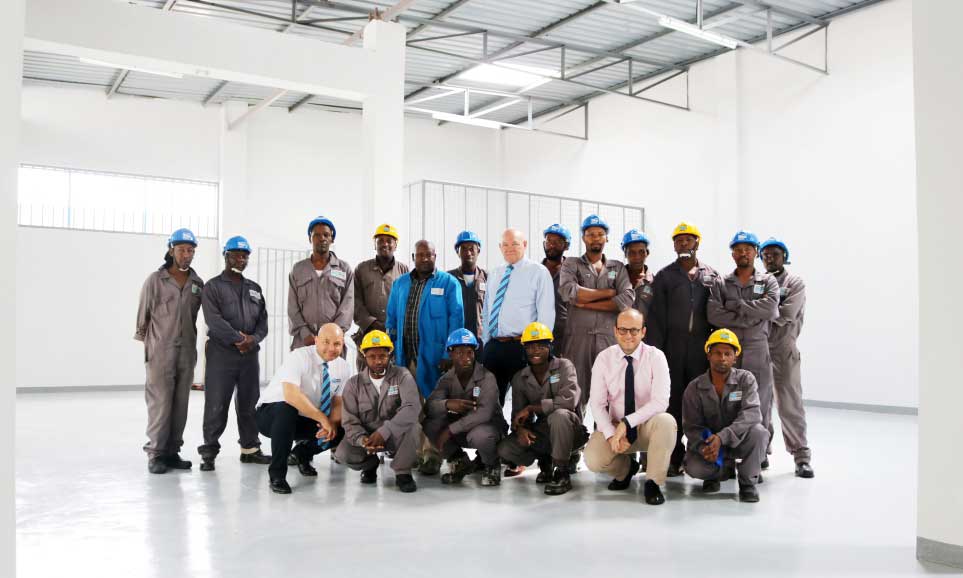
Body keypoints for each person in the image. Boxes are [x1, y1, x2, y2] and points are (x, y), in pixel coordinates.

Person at [645, 221, 720, 477]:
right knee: (673, 403)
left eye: (688, 240)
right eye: (679, 240)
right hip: (673, 349)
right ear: (674, 245)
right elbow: (655, 319)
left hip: (701, 347)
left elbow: (718, 313)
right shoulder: (665, 276)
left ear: (697, 243)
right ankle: (674, 456)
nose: (683, 244)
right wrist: (658, 354)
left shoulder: (711, 276)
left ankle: (699, 455)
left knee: (699, 403)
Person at [385, 240, 464, 475]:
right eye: (420, 255)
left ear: (435, 255)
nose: (424, 259)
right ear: (413, 257)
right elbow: (391, 318)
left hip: (434, 359)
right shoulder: (400, 284)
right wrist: (391, 348)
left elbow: (456, 318)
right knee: (411, 407)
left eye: (429, 255)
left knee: (434, 408)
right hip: (405, 357)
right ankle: (416, 453)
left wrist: (449, 353)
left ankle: (433, 455)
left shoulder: (448, 284)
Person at [585, 309, 674, 505]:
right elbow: (597, 404)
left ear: (643, 332)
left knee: (667, 421)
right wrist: (610, 433)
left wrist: (628, 422)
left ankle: (653, 482)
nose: (628, 336)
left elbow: (661, 402)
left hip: (647, 427)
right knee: (592, 458)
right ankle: (626, 469)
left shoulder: (656, 357)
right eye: (623, 330)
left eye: (634, 331)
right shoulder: (603, 359)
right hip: (617, 429)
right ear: (615, 331)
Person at [197, 236, 270, 471]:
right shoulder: (213, 287)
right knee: (217, 403)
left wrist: (253, 339)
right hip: (222, 354)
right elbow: (213, 320)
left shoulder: (254, 289)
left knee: (249, 403)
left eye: (245, 255)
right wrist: (239, 338)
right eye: (236, 254)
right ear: (226, 256)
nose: (241, 258)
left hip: (249, 356)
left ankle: (250, 449)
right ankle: (209, 451)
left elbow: (263, 323)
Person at [707, 230, 779, 469]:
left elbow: (769, 309)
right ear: (732, 253)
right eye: (738, 249)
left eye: (747, 249)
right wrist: (750, 316)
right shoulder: (721, 283)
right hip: (730, 352)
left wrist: (736, 306)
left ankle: (761, 450)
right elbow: (714, 314)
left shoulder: (767, 281)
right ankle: (727, 450)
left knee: (762, 400)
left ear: (755, 252)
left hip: (759, 349)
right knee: (729, 400)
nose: (743, 253)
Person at [135, 228, 204, 474]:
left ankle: (173, 452)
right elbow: (143, 316)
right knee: (160, 403)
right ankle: (156, 454)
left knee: (180, 403)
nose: (186, 254)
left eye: (191, 250)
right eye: (182, 249)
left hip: (186, 351)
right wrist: (151, 348)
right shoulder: (156, 280)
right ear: (171, 250)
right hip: (160, 351)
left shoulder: (197, 283)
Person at [255, 323, 353, 494]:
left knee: (343, 427)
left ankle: (302, 454)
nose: (331, 348)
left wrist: (331, 424)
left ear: (343, 343)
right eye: (326, 342)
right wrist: (322, 419)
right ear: (316, 341)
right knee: (287, 409)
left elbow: (338, 402)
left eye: (337, 343)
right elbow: (291, 395)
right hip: (271, 415)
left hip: (305, 416)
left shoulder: (344, 367)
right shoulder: (298, 357)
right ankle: (277, 475)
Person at [497, 322, 588, 496]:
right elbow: (518, 415)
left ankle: (561, 472)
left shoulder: (564, 366)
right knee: (505, 449)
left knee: (559, 416)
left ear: (550, 346)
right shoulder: (520, 378)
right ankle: (545, 461)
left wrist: (533, 408)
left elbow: (569, 402)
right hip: (542, 433)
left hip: (570, 430)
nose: (535, 351)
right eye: (530, 346)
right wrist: (521, 429)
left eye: (541, 346)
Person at [682, 329, 768, 503]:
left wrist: (722, 437)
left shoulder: (746, 380)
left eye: (728, 353)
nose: (722, 358)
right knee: (693, 467)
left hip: (739, 440)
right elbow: (691, 426)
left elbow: (752, 413)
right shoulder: (694, 388)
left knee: (759, 433)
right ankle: (718, 473)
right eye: (717, 353)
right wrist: (704, 448)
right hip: (711, 446)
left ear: (735, 357)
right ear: (708, 355)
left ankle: (747, 483)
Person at [559, 214, 635, 412]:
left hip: (608, 339)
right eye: (590, 234)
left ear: (606, 238)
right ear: (583, 238)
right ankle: (575, 439)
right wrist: (608, 293)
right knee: (576, 391)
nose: (595, 238)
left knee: (610, 393)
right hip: (578, 340)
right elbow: (569, 291)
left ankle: (606, 439)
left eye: (600, 234)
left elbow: (626, 299)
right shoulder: (571, 264)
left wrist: (585, 304)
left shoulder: (616, 268)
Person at [336, 331, 422, 493]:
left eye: (382, 356)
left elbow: (412, 407)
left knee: (414, 427)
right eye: (372, 356)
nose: (378, 361)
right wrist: (363, 441)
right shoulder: (353, 384)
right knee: (343, 453)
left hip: (395, 436)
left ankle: (403, 472)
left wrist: (385, 431)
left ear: (389, 354)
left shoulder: (402, 375)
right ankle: (370, 464)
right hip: (368, 439)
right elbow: (349, 421)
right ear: (364, 356)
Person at [481, 229, 556, 406]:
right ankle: (494, 433)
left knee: (524, 402)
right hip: (494, 346)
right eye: (505, 245)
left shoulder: (538, 272)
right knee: (490, 401)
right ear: (500, 247)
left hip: (523, 347)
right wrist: (487, 342)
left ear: (524, 245)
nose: (509, 248)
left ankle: (519, 432)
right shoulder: (495, 273)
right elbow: (486, 310)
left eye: (515, 243)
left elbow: (546, 313)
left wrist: (538, 348)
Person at [423, 329, 505, 487]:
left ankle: (491, 464)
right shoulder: (446, 379)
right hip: (462, 431)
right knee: (430, 424)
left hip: (488, 429)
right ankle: (459, 462)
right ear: (450, 354)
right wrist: (447, 404)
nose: (466, 358)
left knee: (480, 435)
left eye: (469, 352)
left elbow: (484, 413)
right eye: (459, 353)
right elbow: (430, 406)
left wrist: (450, 430)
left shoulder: (487, 377)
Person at [760, 237, 813, 478]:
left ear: (784, 256)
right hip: (759, 347)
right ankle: (760, 452)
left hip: (783, 349)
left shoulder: (794, 282)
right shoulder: (759, 281)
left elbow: (787, 313)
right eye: (766, 255)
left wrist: (758, 310)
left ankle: (801, 456)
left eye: (775, 254)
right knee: (758, 403)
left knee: (789, 403)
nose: (770, 258)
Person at [288, 215, 354, 351]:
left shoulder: (344, 269)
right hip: (304, 342)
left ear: (332, 238)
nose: (322, 238)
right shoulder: (298, 269)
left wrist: (331, 335)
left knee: (333, 373)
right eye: (316, 235)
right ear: (310, 239)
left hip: (333, 344)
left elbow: (347, 306)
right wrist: (305, 333)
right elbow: (292, 306)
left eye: (326, 234)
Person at [353, 223, 409, 370]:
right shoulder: (361, 269)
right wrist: (371, 324)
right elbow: (354, 300)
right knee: (365, 379)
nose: (385, 244)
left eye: (389, 240)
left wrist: (393, 326)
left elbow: (408, 302)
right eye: (380, 240)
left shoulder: (404, 271)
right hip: (367, 333)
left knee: (392, 379)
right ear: (374, 244)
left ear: (395, 245)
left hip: (394, 335)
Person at [447, 231, 487, 340]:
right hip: (456, 340)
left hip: (481, 340)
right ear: (457, 252)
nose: (468, 252)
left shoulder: (488, 278)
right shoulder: (449, 279)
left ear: (478, 250)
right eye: (463, 248)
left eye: (471, 248)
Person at [542, 224, 571, 349]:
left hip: (567, 339)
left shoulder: (574, 273)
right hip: (539, 338)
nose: (552, 245)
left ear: (566, 246)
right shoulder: (535, 272)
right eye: (549, 241)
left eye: (558, 242)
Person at [621, 229, 655, 319]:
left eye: (641, 252)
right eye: (632, 252)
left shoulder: (655, 284)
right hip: (617, 332)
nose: (637, 257)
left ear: (647, 253)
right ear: (625, 254)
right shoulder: (615, 280)